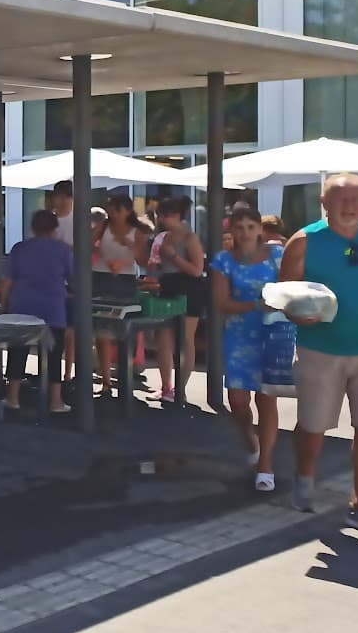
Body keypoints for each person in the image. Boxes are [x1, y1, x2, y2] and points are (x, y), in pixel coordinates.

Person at [279, 173, 358, 534]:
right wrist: (296, 313)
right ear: (324, 202)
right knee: (313, 426)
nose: (349, 206)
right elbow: (283, 296)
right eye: (341, 199)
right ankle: (304, 477)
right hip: (321, 351)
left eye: (356, 199)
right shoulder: (303, 242)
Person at [210, 205, 291, 493]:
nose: (245, 233)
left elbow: (292, 288)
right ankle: (249, 439)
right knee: (237, 400)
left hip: (272, 333)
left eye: (251, 227)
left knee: (266, 399)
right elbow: (221, 303)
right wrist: (257, 304)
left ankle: (266, 464)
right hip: (239, 334)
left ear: (260, 229)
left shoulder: (277, 255)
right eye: (239, 227)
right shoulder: (223, 261)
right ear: (231, 230)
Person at [0, 209, 73, 413]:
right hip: (53, 308)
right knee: (54, 355)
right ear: (55, 228)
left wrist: (4, 305)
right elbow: (74, 279)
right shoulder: (63, 250)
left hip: (22, 306)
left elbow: (7, 281)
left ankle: (13, 398)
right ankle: (56, 401)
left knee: (17, 353)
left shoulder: (20, 248)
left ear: (32, 227)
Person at [92, 195, 150, 395]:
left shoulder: (137, 230)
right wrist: (99, 251)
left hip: (125, 279)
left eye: (117, 211)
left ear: (127, 211)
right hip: (101, 276)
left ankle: (125, 377)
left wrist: (128, 246)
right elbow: (86, 244)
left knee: (124, 328)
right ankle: (106, 380)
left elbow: (143, 260)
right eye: (110, 211)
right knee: (100, 328)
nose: (113, 215)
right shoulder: (103, 226)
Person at [151, 195, 206, 403]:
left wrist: (173, 256)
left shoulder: (190, 237)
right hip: (167, 285)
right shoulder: (164, 237)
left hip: (189, 288)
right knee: (163, 337)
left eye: (163, 216)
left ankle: (180, 387)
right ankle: (166, 386)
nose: (160, 220)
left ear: (175, 215)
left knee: (185, 338)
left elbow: (197, 270)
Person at [48, 180, 75, 247]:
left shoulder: (79, 221)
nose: (64, 200)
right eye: (60, 196)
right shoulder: (46, 220)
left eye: (68, 197)